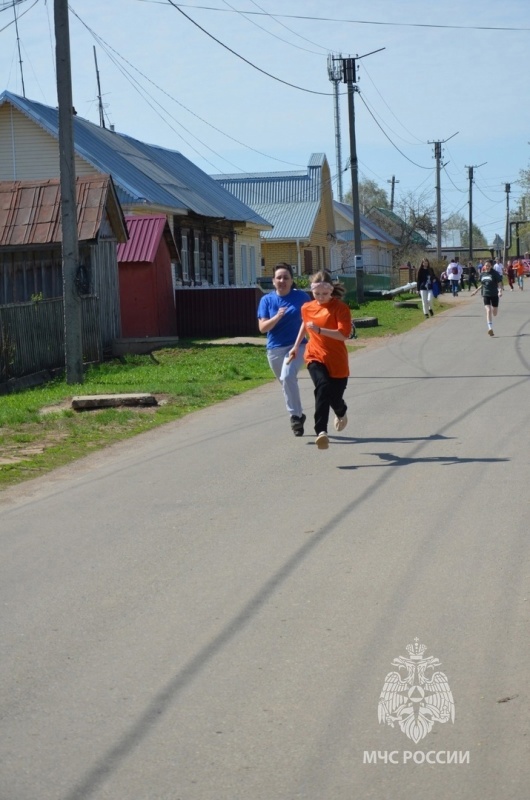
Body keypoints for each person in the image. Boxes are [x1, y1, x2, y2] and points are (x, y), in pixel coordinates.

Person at [289, 270, 350, 450]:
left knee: (335, 398)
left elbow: (343, 335)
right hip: (315, 355)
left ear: (331, 291)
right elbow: (304, 324)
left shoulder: (340, 308)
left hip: (337, 360)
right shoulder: (307, 307)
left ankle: (341, 411)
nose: (321, 297)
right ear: (311, 292)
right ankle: (321, 432)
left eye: (324, 294)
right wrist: (295, 346)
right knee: (322, 387)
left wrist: (319, 330)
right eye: (317, 294)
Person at [257, 263, 311, 436]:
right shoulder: (267, 300)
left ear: (292, 280)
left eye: (286, 277)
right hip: (274, 350)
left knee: (287, 376)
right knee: (286, 382)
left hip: (297, 345)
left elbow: (310, 319)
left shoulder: (301, 297)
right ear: (273, 281)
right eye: (279, 277)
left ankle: (295, 418)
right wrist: (277, 316)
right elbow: (263, 328)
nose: (282, 280)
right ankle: (300, 414)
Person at [470, 259, 503, 336]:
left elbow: (499, 283)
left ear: (491, 266)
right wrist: (476, 291)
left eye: (488, 265)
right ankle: (490, 328)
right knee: (488, 310)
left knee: (494, 313)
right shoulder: (482, 274)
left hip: (494, 294)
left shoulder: (495, 273)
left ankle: (493, 314)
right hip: (486, 294)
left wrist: (500, 291)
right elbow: (483, 284)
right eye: (486, 265)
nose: (487, 267)